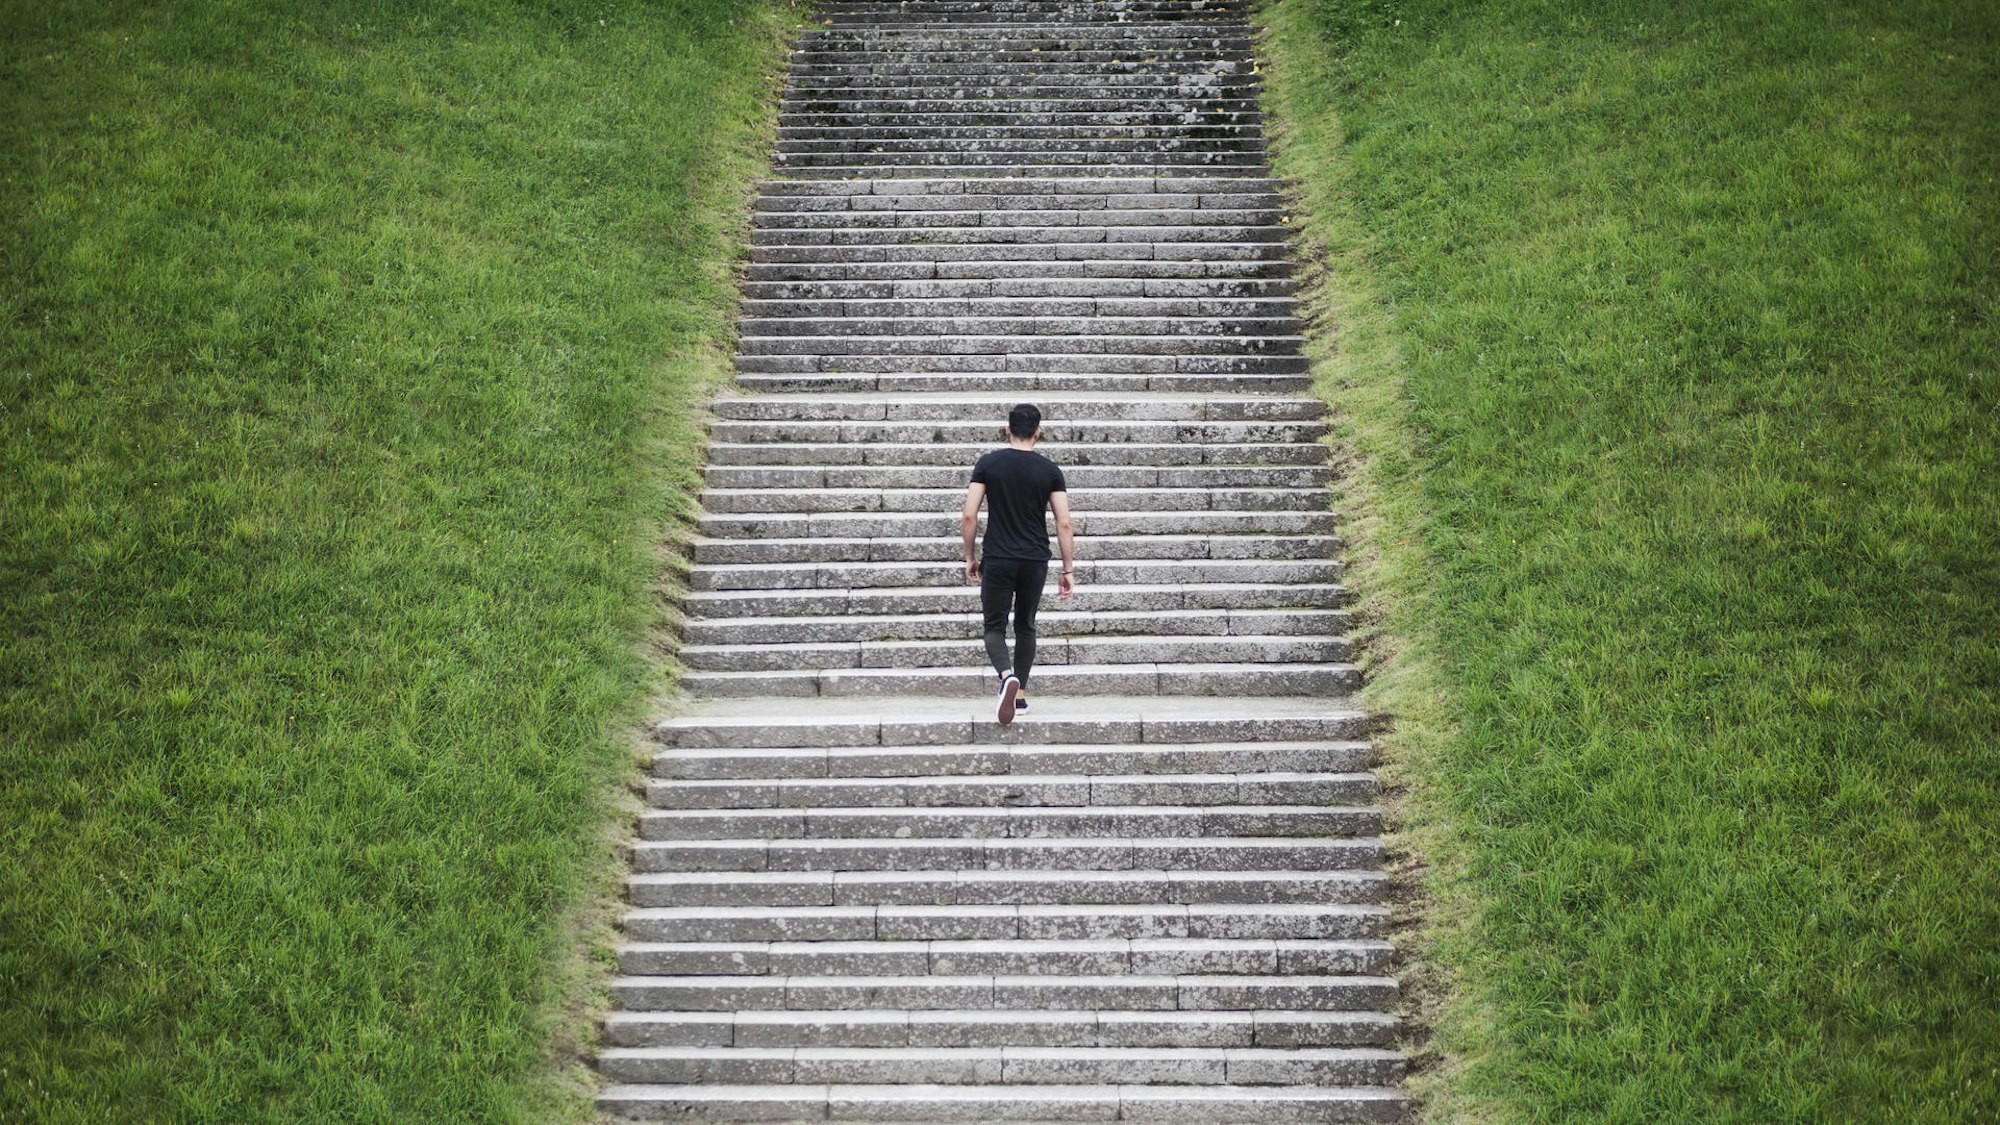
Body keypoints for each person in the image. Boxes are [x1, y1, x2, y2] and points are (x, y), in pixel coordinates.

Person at [961, 403, 1076, 725]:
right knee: (1026, 624)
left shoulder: (989, 464)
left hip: (998, 556)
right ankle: (1020, 693)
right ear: (1038, 432)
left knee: (994, 626)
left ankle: (1006, 675)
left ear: (1007, 429)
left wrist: (970, 556)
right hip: (1034, 559)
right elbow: (1064, 523)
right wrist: (1067, 569)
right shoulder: (1050, 470)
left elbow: (970, 514)